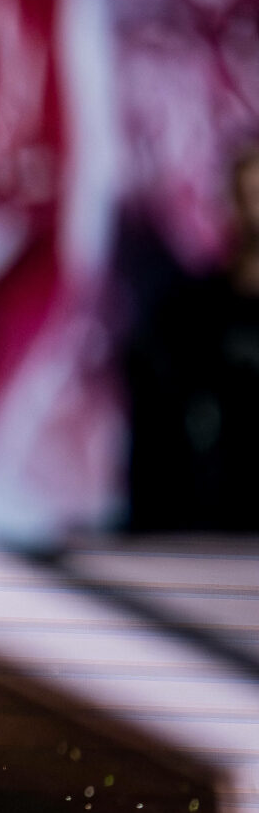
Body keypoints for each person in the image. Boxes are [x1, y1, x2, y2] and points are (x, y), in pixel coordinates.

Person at [127, 147, 259, 533]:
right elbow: (158, 426)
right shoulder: (190, 314)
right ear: (229, 203)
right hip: (207, 525)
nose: (256, 212)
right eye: (248, 195)